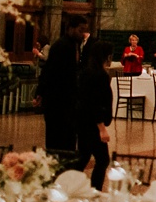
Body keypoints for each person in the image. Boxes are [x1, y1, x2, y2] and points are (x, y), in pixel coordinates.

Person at [34, 15, 89, 151]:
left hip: (68, 102)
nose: (83, 34)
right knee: (57, 141)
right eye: (80, 30)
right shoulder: (61, 46)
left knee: (68, 141)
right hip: (58, 102)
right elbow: (50, 71)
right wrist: (40, 92)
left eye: (84, 31)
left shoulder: (74, 45)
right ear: (70, 28)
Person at [76, 40, 113, 190]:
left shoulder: (86, 72)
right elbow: (95, 102)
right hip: (93, 124)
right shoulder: (100, 76)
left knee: (83, 157)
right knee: (103, 160)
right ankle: (95, 190)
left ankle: (70, 185)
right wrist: (102, 128)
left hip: (83, 121)